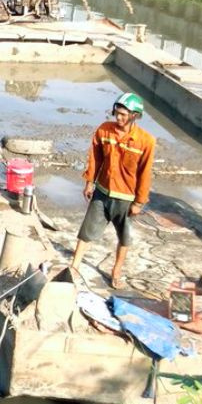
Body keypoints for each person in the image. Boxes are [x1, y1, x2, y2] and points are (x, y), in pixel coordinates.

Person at [70, 92, 156, 290]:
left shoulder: (146, 141)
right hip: (102, 192)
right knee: (86, 232)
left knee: (124, 238)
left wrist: (139, 202)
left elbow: (145, 173)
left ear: (134, 115)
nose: (118, 118)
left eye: (123, 115)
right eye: (117, 113)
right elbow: (95, 158)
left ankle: (116, 271)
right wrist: (89, 182)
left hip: (126, 199)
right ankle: (74, 266)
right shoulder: (104, 131)